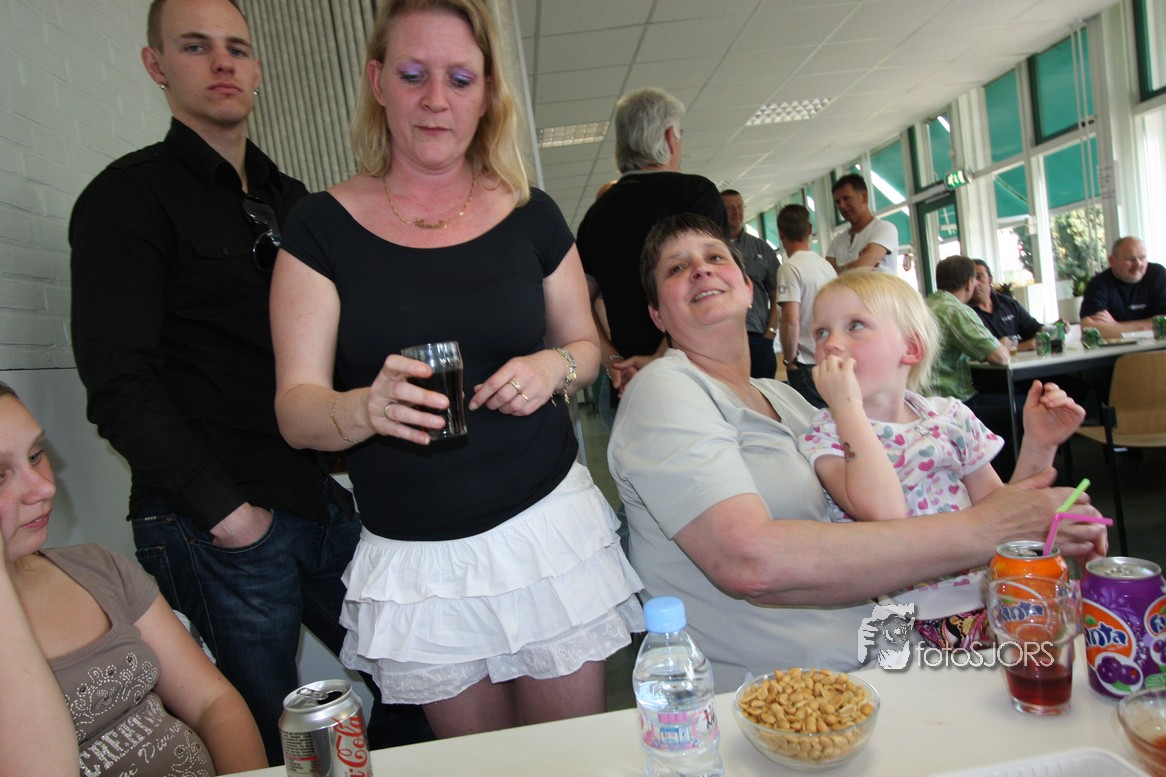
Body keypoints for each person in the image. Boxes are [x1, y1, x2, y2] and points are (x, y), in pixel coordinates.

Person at [268, 0, 643, 740]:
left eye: (460, 78)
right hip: (419, 563)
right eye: (413, 75)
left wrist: (552, 365)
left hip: (545, 533)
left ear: (487, 92)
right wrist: (363, 409)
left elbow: (587, 346)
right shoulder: (320, 227)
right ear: (377, 82)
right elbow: (295, 409)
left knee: (568, 757)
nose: (436, 99)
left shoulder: (530, 213)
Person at [67, 0, 426, 762]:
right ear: (156, 65)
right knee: (267, 741)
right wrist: (226, 513)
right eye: (196, 47)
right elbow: (118, 381)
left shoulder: (297, 204)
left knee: (418, 677)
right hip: (214, 519)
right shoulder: (126, 200)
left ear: (258, 70)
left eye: (237, 47)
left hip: (314, 499)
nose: (222, 62)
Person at [607, 213, 1105, 691]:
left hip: (889, 654)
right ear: (657, 314)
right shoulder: (666, 388)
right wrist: (989, 530)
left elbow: (966, 500)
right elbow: (748, 560)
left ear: (750, 288)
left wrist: (1033, 489)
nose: (700, 269)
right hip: (791, 694)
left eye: (716, 256)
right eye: (677, 268)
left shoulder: (788, 400)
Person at [797, 272, 1085, 649]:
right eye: (821, 332)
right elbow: (884, 512)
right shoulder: (827, 434)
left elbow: (1002, 515)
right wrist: (846, 406)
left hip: (995, 595)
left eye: (855, 326)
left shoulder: (948, 415)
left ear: (910, 348)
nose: (831, 344)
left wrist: (1039, 444)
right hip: (914, 621)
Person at [0, 382, 267, 777]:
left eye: (36, 455)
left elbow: (213, 702)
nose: (45, 487)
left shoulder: (97, 566)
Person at [576, 87, 728, 423]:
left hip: (630, 387)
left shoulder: (596, 217)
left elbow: (579, 304)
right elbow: (708, 285)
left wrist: (615, 362)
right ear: (671, 137)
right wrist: (662, 356)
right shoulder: (695, 195)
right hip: (699, 376)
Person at [775, 203, 836, 408]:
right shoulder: (826, 267)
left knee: (811, 420)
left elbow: (790, 320)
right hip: (829, 357)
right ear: (809, 229)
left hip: (805, 362)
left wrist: (789, 360)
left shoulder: (790, 268)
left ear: (781, 234)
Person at [722, 189, 781, 379]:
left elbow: (777, 293)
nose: (736, 212)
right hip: (723, 340)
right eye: (730, 208)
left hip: (758, 338)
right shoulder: (713, 248)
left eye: (740, 207)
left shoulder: (761, 248)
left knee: (765, 392)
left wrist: (770, 332)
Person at [1080, 236, 1166, 338]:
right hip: (1117, 348)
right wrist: (1153, 325)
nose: (1138, 264)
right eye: (1130, 259)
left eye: (1142, 258)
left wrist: (1116, 325)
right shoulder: (1098, 284)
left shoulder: (1157, 274)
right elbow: (1089, 329)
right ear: (1112, 261)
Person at [825, 173, 898, 273]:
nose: (842, 206)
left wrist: (839, 270)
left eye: (846, 198)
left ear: (864, 197)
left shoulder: (884, 229)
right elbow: (826, 275)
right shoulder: (837, 241)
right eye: (838, 202)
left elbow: (861, 267)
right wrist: (856, 265)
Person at [970, 259, 1042, 351]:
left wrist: (1053, 330)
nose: (975, 283)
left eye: (979, 277)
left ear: (990, 279)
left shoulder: (1007, 303)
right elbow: (978, 350)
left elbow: (1035, 330)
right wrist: (1018, 347)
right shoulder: (965, 312)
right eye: (971, 280)